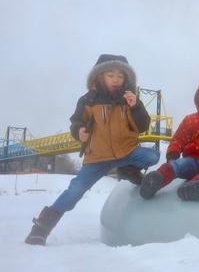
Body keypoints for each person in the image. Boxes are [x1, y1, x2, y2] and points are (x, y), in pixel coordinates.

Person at [25, 54, 160, 245]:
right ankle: (41, 228)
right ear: (99, 76)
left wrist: (136, 106)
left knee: (153, 155)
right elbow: (76, 122)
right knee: (74, 191)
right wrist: (78, 131)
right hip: (98, 158)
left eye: (121, 76)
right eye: (110, 75)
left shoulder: (129, 100)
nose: (116, 80)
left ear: (126, 80)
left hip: (125, 152)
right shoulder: (88, 100)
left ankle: (127, 169)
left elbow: (143, 126)